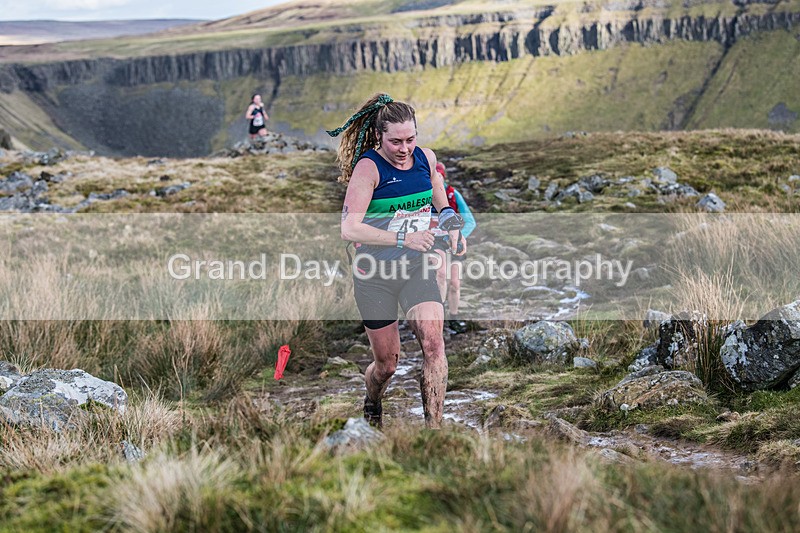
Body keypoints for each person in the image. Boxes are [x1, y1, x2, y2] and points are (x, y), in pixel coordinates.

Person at [328, 93, 466, 429]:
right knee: (387, 365)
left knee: (434, 344)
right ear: (379, 136)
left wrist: (449, 219)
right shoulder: (368, 168)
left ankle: (435, 431)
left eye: (410, 139)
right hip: (374, 274)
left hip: (416, 267)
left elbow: (436, 188)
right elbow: (349, 228)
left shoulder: (425, 158)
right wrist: (404, 237)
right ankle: (373, 398)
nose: (404, 148)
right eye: (395, 141)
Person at [432, 162, 476, 334]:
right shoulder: (424, 195)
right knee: (441, 275)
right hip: (435, 243)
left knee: (455, 283)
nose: (436, 178)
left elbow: (470, 221)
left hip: (454, 243)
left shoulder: (452, 194)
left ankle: (454, 318)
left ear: (443, 176)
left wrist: (459, 236)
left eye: (439, 175)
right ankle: (439, 318)